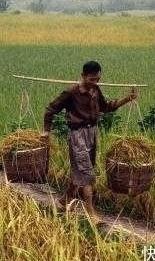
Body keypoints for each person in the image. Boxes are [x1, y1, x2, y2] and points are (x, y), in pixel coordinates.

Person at [41, 61, 137, 221]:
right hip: (77, 134)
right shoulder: (71, 92)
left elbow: (106, 107)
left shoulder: (95, 90)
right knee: (87, 173)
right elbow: (50, 109)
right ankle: (90, 212)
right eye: (92, 79)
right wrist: (46, 131)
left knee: (82, 170)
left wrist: (127, 99)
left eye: (98, 79)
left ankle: (64, 201)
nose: (95, 82)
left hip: (92, 133)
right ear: (83, 76)